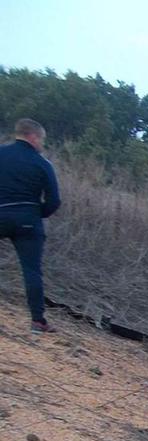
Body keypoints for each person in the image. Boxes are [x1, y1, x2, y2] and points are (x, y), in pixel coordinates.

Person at [0, 118, 61, 333]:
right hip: (28, 219)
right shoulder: (42, 163)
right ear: (33, 137)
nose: (42, 144)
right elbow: (54, 201)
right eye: (42, 139)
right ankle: (37, 321)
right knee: (31, 271)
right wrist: (37, 213)